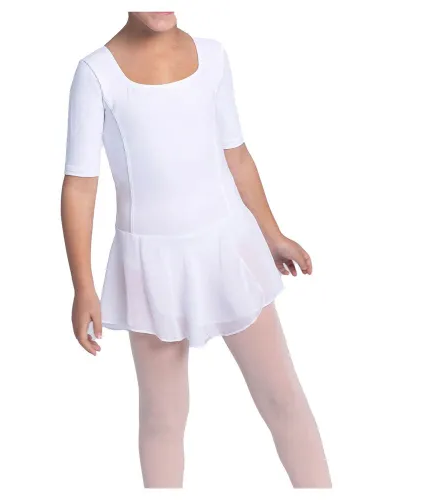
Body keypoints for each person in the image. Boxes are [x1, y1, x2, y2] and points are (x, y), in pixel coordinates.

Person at [61, 11, 332, 489]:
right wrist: (83, 285)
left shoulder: (212, 56)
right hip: (152, 268)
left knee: (282, 397)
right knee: (163, 419)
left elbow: (237, 156)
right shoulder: (97, 74)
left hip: (229, 250)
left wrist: (272, 234)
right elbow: (80, 186)